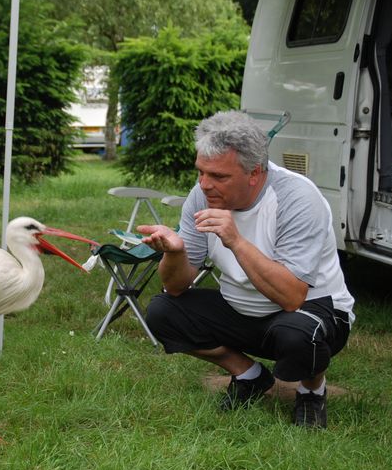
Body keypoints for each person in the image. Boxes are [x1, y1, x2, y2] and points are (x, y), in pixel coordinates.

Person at [138, 110, 354, 428]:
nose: (204, 185)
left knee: (296, 335)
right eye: (201, 173)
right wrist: (175, 253)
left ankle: (311, 392)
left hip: (313, 309)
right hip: (243, 308)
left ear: (254, 173)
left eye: (219, 177)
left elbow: (292, 296)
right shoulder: (201, 197)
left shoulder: (297, 198)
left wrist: (235, 241)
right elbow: (176, 286)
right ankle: (249, 376)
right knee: (162, 312)